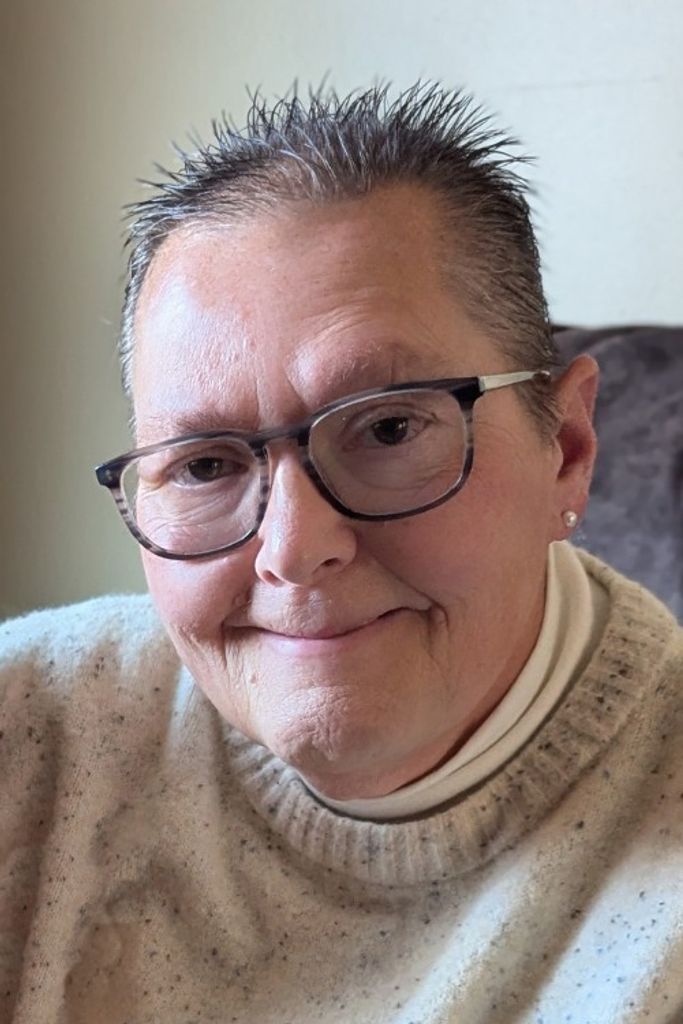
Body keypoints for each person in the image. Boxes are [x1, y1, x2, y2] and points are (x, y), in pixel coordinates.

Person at [1, 83, 681, 1024]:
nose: (292, 550)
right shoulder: (29, 729)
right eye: (203, 464)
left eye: (389, 428)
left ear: (565, 448)